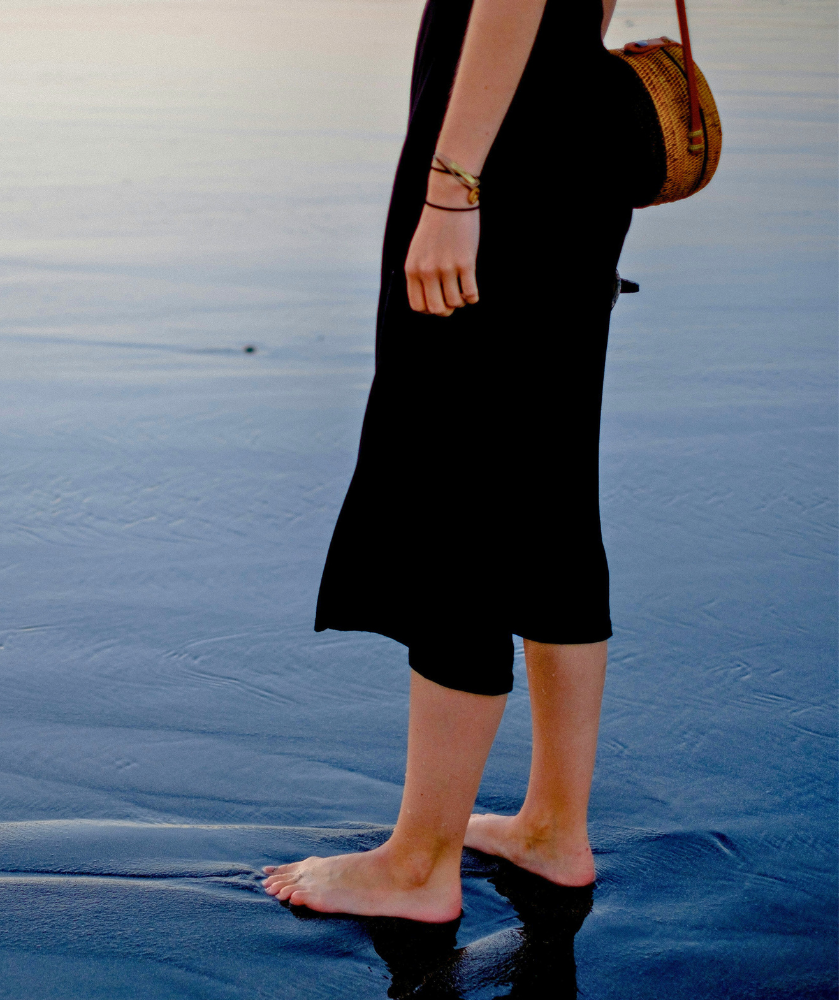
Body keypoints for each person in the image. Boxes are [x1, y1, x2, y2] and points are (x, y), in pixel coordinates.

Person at [264, 0, 655, 921]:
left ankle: (417, 866)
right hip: (573, 142)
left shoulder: (469, 176)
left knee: (453, 486)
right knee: (551, 484)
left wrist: (452, 189)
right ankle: (555, 826)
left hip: (499, 161)